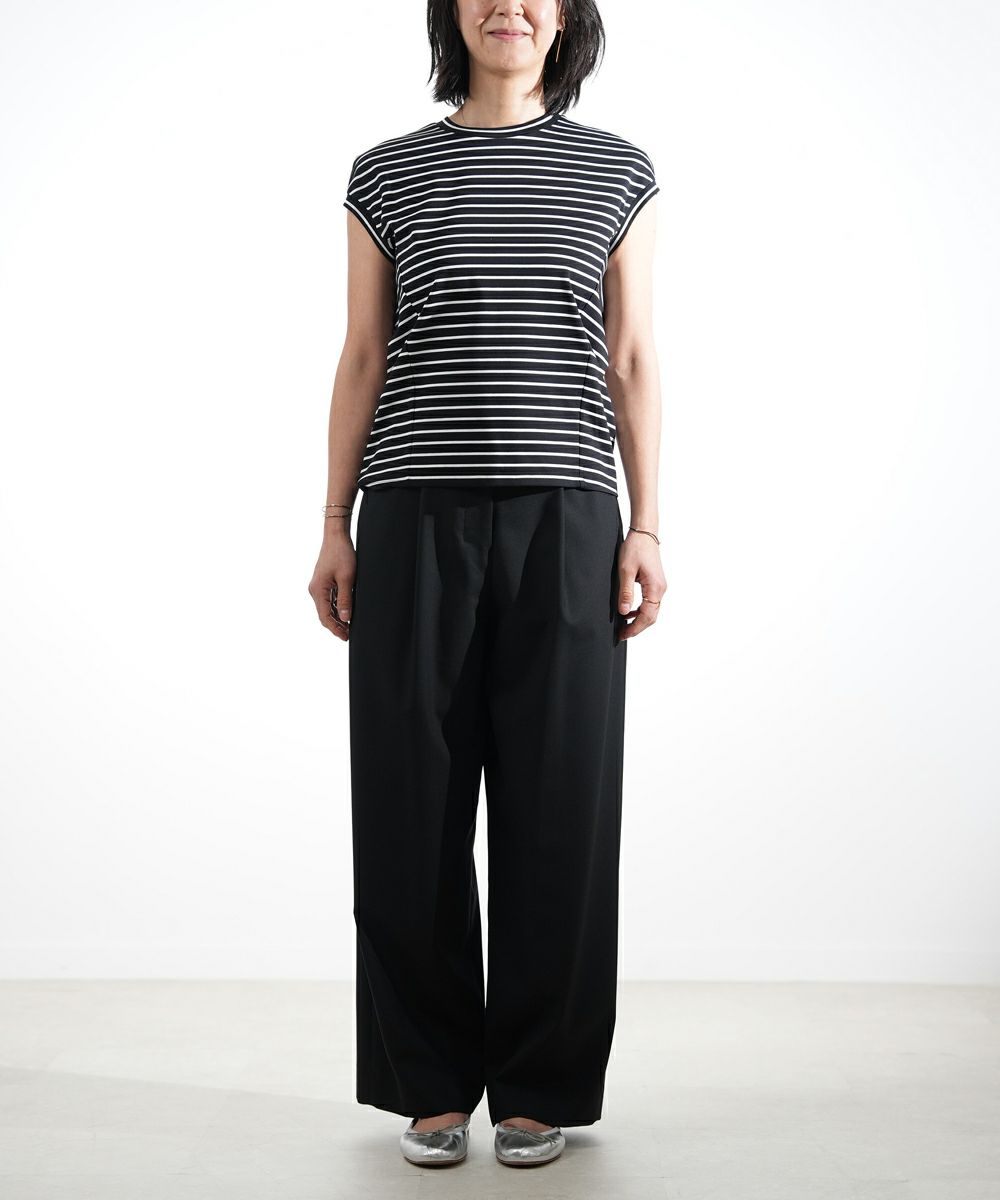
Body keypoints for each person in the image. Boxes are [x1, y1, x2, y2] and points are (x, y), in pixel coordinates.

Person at [308, 0, 666, 1170]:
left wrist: (645, 523)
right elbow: (365, 352)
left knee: (561, 806)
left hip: (568, 518)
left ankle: (537, 1085)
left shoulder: (615, 171)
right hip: (414, 513)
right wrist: (334, 524)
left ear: (564, 18)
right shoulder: (387, 174)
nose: (507, 4)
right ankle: (428, 1083)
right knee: (407, 805)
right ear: (450, 12)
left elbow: (629, 356)